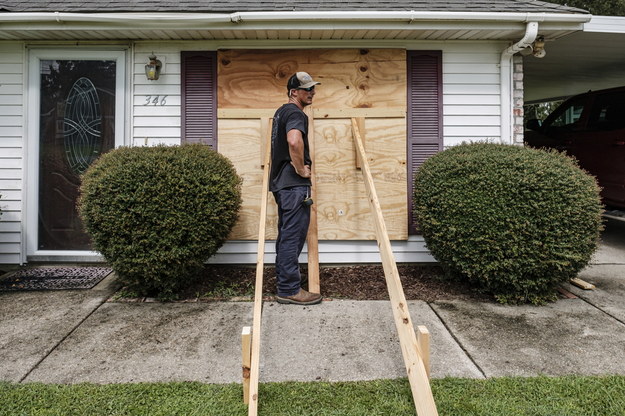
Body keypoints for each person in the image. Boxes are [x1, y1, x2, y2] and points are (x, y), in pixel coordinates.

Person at [270, 72, 322, 305]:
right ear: (294, 92)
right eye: (307, 89)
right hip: (293, 186)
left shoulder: (280, 112)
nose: (312, 92)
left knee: (285, 237)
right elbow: (294, 141)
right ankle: (290, 289)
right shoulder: (294, 112)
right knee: (292, 237)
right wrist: (301, 169)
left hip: (282, 185)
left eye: (313, 88)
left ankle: (285, 285)